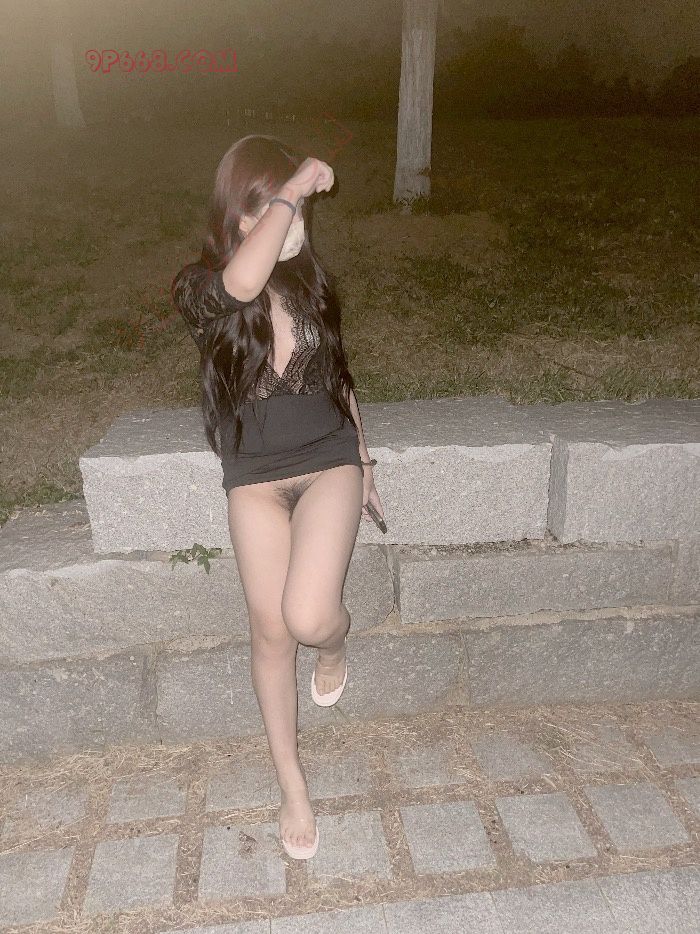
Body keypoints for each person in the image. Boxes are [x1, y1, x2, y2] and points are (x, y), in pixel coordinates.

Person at [171, 135, 386, 860]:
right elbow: (240, 285)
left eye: (289, 207)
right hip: (254, 478)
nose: (287, 220)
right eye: (265, 206)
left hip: (328, 460)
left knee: (311, 617)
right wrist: (292, 187)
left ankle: (336, 643)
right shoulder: (202, 289)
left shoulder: (310, 283)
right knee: (270, 631)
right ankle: (292, 783)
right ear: (238, 215)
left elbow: (339, 376)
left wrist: (364, 456)